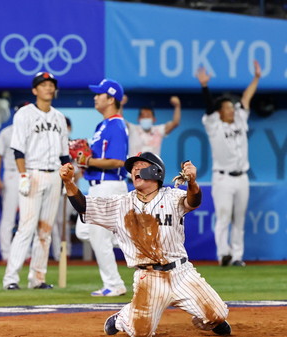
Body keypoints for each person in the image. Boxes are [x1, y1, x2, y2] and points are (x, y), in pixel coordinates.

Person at [59, 152, 232, 337]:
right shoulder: (121, 204)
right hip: (148, 278)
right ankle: (123, 317)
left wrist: (192, 182)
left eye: (140, 166)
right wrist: (69, 183)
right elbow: (84, 206)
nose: (134, 170)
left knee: (219, 314)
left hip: (181, 273)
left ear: (156, 171)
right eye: (132, 168)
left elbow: (193, 201)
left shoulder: (172, 197)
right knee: (141, 333)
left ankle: (210, 318)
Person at [2, 72, 70, 290]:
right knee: (26, 228)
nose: (49, 88)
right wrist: (23, 175)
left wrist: (67, 177)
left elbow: (64, 155)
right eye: (44, 85)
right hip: (32, 172)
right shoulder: (24, 114)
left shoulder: (59, 117)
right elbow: (18, 149)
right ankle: (11, 278)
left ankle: (37, 278)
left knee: (45, 230)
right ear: (35, 90)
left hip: (54, 175)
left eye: (51, 85)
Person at [197, 60, 261, 267]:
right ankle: (223, 254)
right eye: (227, 108)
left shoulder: (241, 119)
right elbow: (208, 108)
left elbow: (246, 98)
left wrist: (256, 78)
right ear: (219, 112)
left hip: (241, 176)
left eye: (231, 107)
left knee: (239, 219)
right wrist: (205, 86)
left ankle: (237, 256)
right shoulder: (213, 124)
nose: (231, 110)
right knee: (223, 217)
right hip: (222, 177)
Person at [76, 78, 128, 297]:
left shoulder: (116, 125)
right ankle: (126, 237)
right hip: (97, 187)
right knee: (83, 230)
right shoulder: (102, 125)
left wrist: (88, 161)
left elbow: (117, 161)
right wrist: (83, 157)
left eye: (100, 94)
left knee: (99, 236)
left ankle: (114, 284)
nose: (95, 97)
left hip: (109, 186)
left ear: (111, 99)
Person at [0, 102, 29, 262]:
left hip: (30, 174)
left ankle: (26, 253)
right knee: (8, 216)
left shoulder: (35, 133)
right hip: (12, 175)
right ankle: (6, 254)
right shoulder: (7, 133)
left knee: (28, 216)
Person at [50, 117, 80, 261]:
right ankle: (58, 254)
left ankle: (66, 252)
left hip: (69, 188)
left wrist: (69, 182)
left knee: (64, 221)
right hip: (54, 187)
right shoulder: (53, 146)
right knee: (54, 222)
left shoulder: (74, 146)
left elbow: (80, 171)